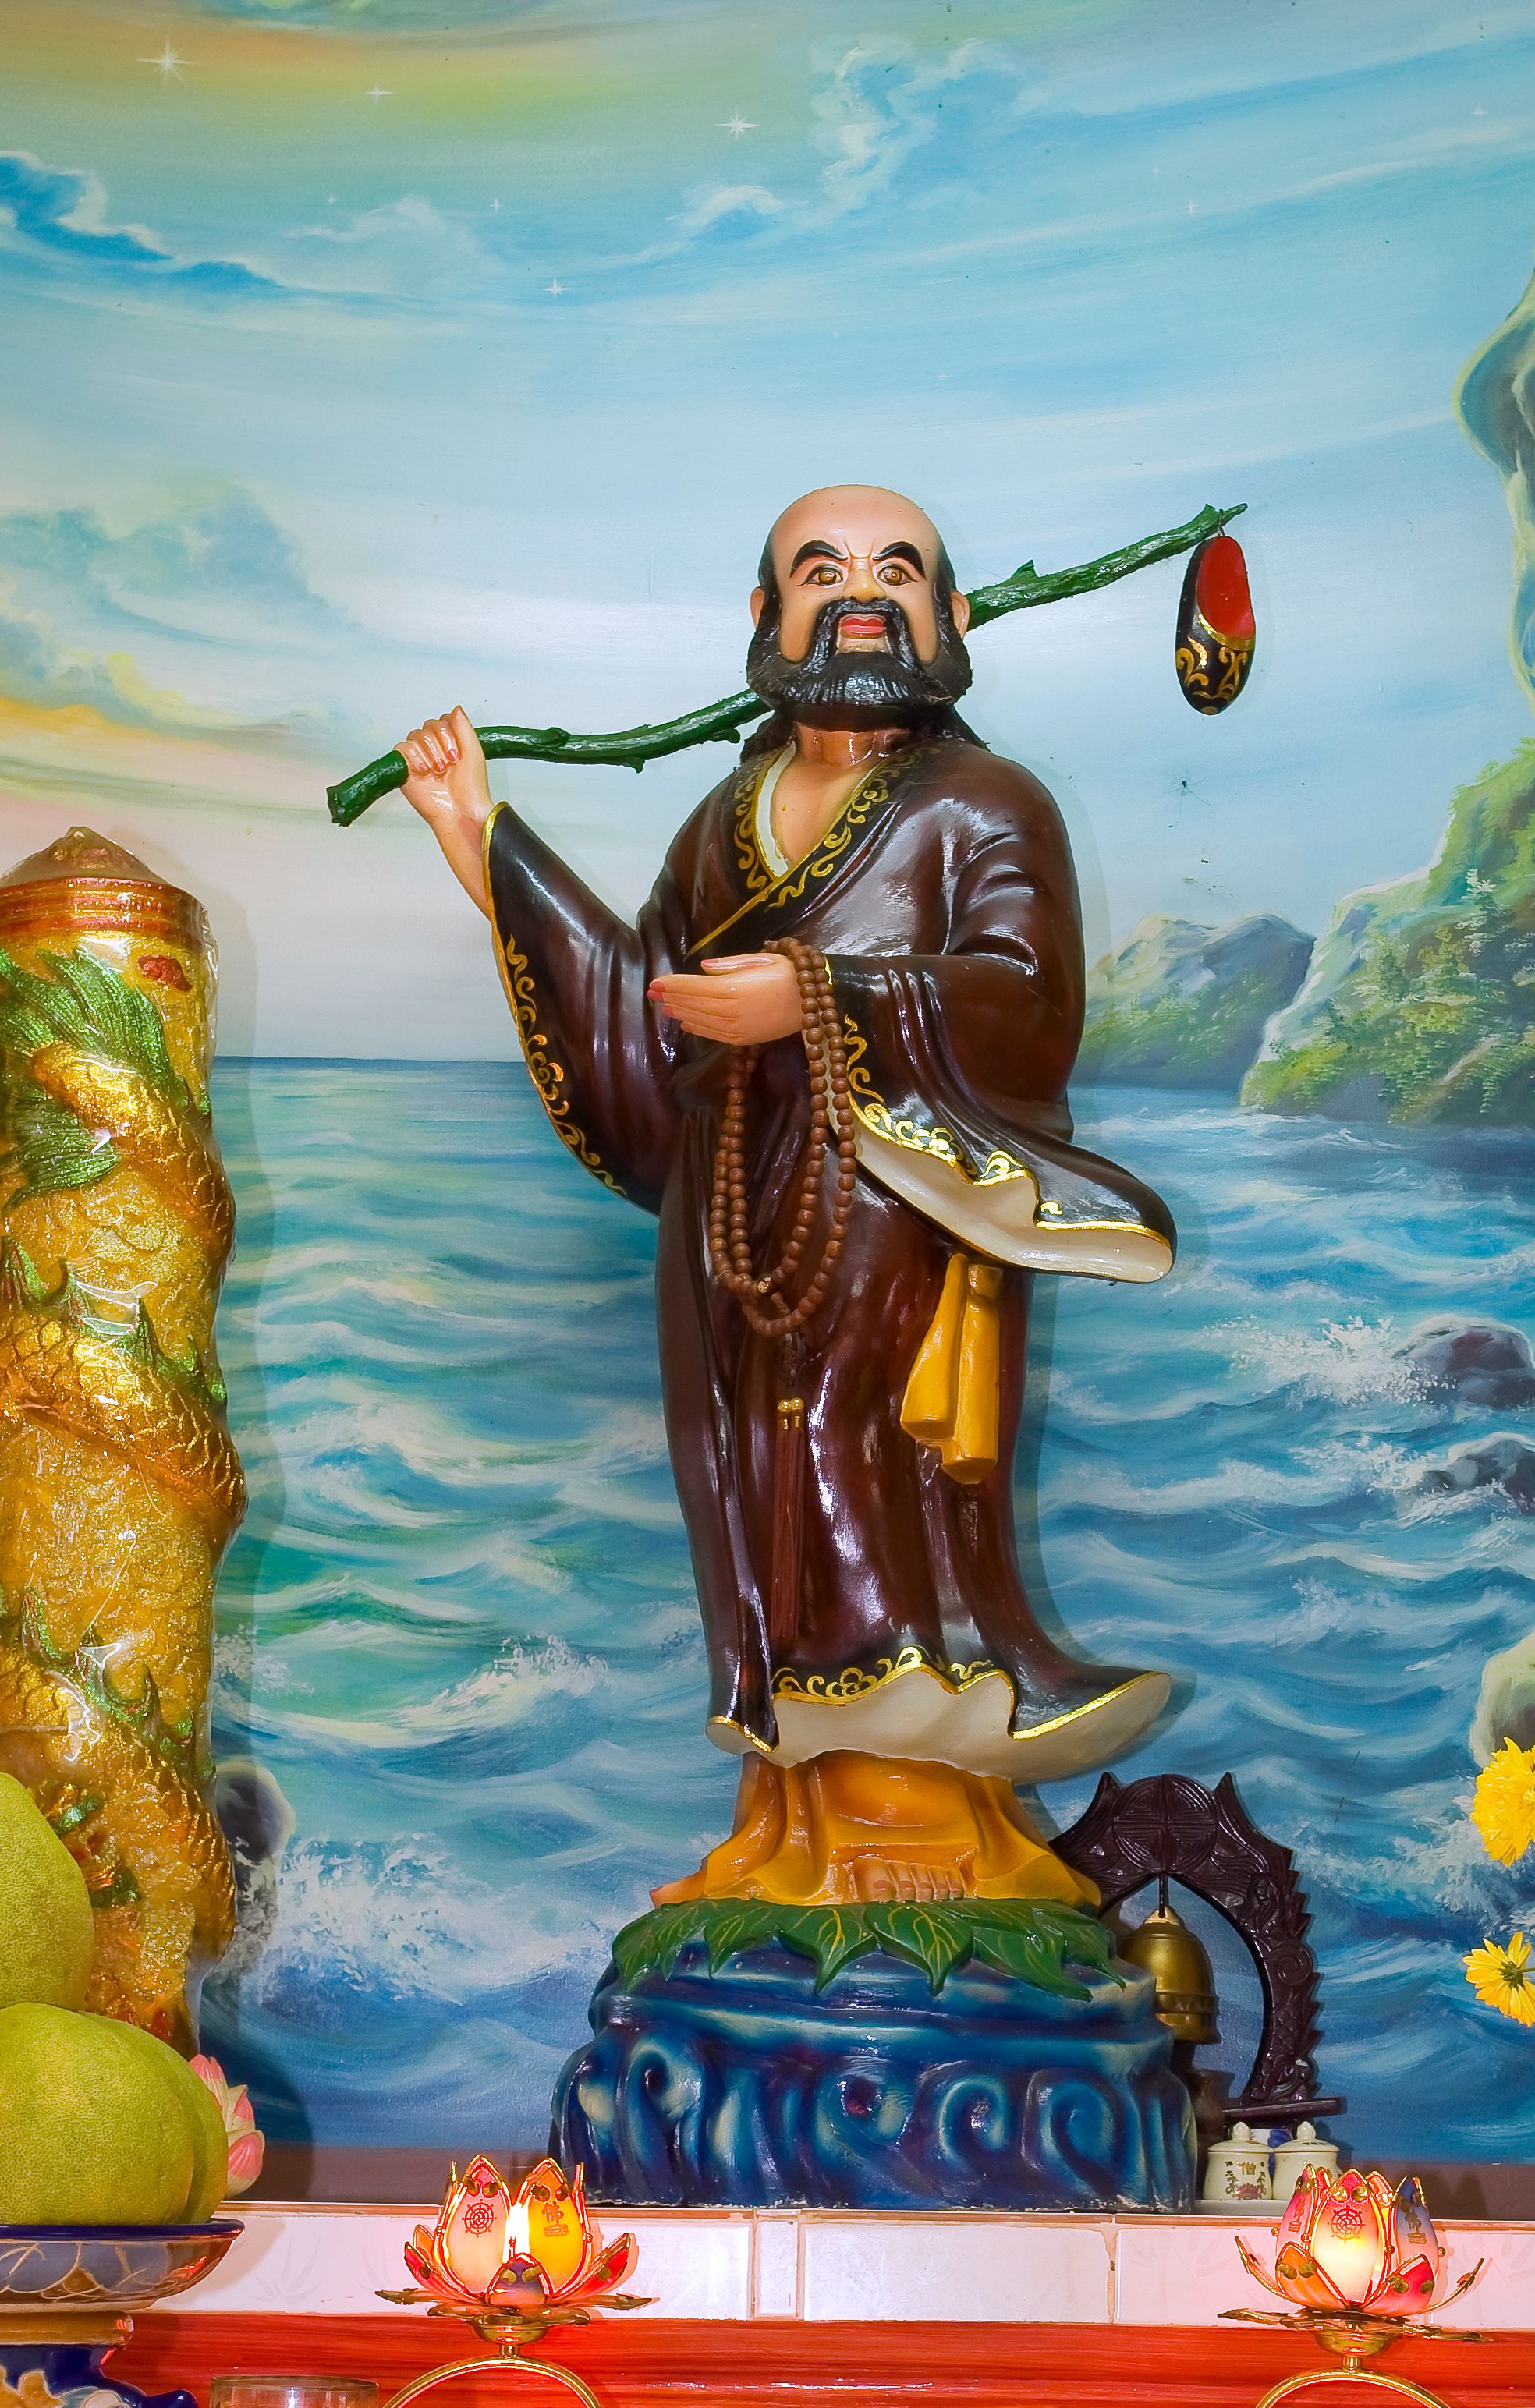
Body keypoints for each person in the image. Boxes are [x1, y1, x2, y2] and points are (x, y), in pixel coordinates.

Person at [396, 483, 1173, 1905]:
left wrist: (817, 996)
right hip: (733, 1230)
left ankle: (928, 1844)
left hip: (902, 1214)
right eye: (821, 570)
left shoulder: (987, 806)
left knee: (873, 1482)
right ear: (767, 617)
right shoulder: (719, 825)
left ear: (944, 616)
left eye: (896, 569)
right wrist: (478, 841)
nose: (858, 591)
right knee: (756, 1495)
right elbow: (645, 1024)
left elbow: (1025, 1004)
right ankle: (800, 1825)